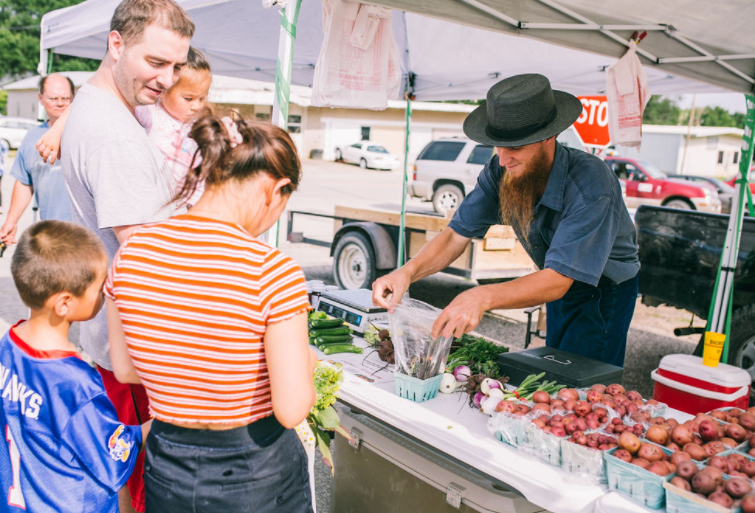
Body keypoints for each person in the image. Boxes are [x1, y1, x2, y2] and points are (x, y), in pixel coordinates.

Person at [106, 109, 316, 513]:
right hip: (255, 473)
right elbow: (291, 409)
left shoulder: (131, 254)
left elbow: (127, 370)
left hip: (169, 464)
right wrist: (307, 362)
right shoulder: (273, 271)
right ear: (277, 190)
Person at [373, 74, 640, 367]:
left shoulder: (592, 184)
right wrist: (407, 272)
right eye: (497, 146)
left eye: (514, 147)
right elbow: (455, 235)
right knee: (556, 366)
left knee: (583, 381)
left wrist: (482, 296)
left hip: (603, 292)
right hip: (554, 279)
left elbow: (558, 280)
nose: (502, 159)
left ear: (548, 137)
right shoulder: (501, 169)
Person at [57, 1, 194, 511]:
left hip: (116, 347)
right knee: (144, 491)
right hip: (136, 354)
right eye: (156, 63)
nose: (167, 79)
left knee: (125, 484)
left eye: (177, 66)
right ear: (116, 44)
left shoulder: (100, 107)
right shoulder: (115, 134)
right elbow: (145, 264)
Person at [0, 220, 151, 513]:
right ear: (65, 303)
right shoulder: (76, 383)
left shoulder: (9, 344)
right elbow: (115, 453)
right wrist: (162, 419)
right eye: (99, 286)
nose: (106, 291)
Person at [38, 47, 212, 207]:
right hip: (162, 204)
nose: (196, 106)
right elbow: (92, 97)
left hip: (196, 205)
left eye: (202, 98)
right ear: (164, 90)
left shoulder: (200, 125)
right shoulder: (152, 113)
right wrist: (57, 130)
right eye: (188, 99)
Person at [0, 75, 74, 245]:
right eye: (54, 98)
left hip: (87, 235)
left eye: (65, 98)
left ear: (74, 98)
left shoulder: (86, 133)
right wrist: (11, 220)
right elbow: (25, 182)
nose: (60, 103)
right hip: (51, 234)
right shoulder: (32, 137)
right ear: (41, 98)